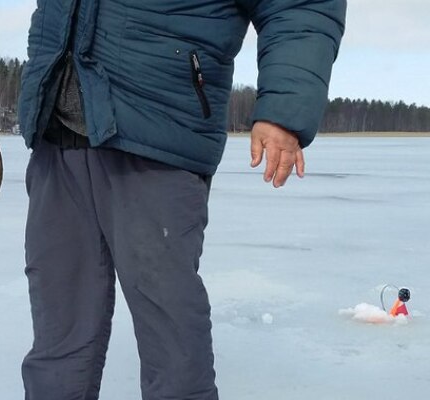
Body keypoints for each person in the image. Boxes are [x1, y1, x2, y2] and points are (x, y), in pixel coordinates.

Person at [18, 1, 347, 399]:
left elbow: (301, 6)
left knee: (170, 333)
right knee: (58, 337)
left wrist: (284, 109)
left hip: (159, 134)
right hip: (58, 131)